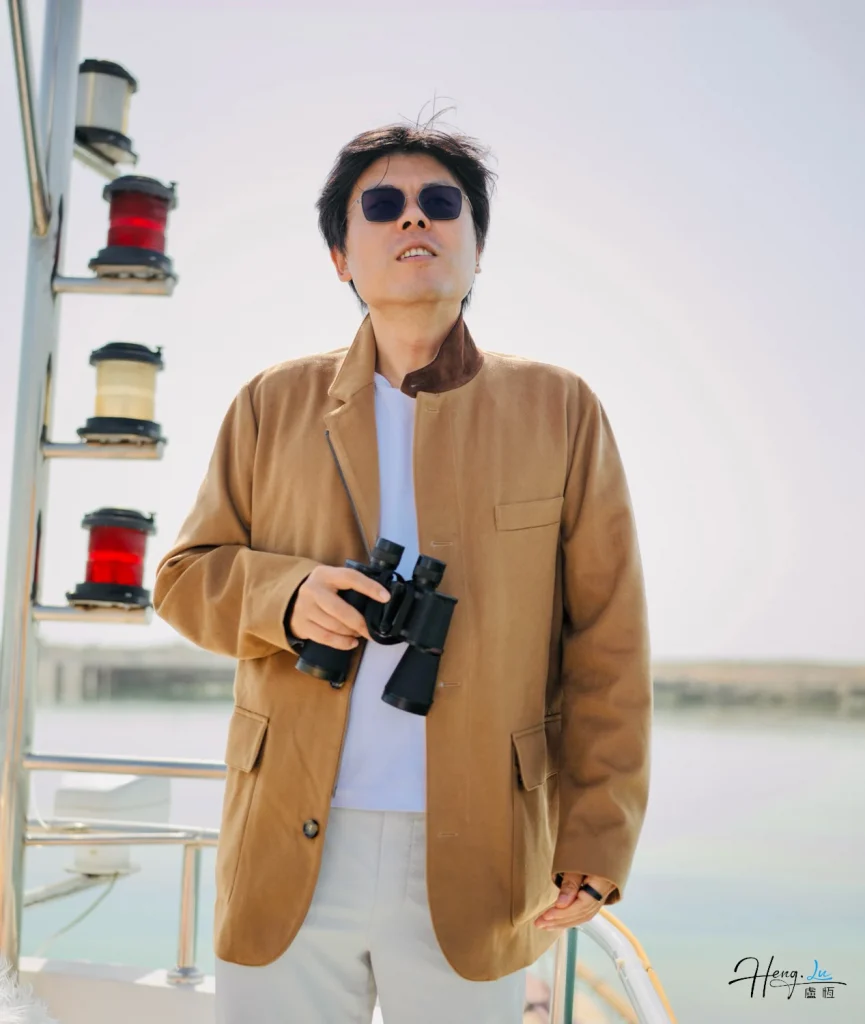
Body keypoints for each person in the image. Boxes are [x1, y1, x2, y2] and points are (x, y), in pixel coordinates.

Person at [152, 110, 653, 1024]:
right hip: (288, 846)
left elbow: (608, 642)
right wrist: (288, 596)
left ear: (474, 248)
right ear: (341, 258)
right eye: (381, 205)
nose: (413, 219)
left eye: (440, 204)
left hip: (486, 854)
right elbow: (185, 578)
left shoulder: (561, 409)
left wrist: (597, 836)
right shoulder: (271, 403)